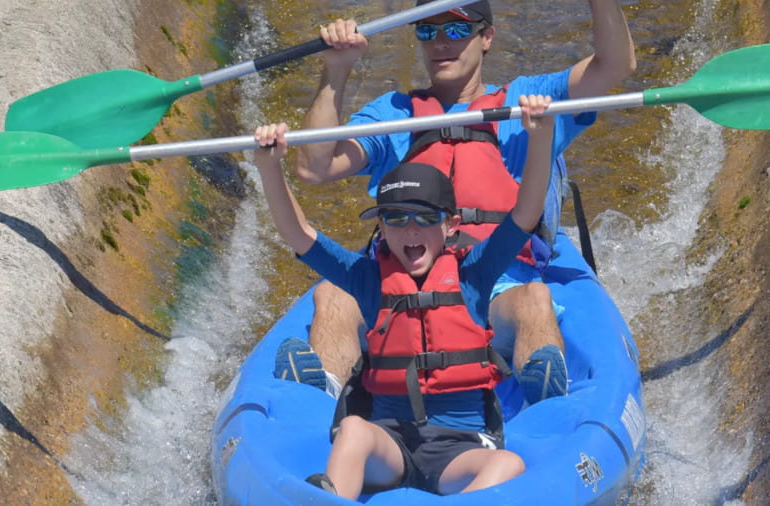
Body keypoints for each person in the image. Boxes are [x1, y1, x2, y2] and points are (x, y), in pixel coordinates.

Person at [277, 0, 636, 407]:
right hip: (400, 277)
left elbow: (616, 64)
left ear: (486, 37)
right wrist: (335, 70)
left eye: (456, 30)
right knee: (334, 298)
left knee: (533, 302)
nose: (440, 43)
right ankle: (315, 402)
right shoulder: (396, 115)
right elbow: (313, 166)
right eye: (427, 31)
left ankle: (549, 411)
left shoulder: (525, 101)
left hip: (494, 278)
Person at [255, 95, 554, 498]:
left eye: (425, 218)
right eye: (397, 219)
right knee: (355, 430)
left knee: (508, 463)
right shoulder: (367, 278)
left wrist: (542, 136)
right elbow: (299, 234)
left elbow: (525, 212)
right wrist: (270, 166)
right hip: (390, 445)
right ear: (381, 227)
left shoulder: (473, 273)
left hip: (459, 449)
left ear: (450, 226)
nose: (411, 231)